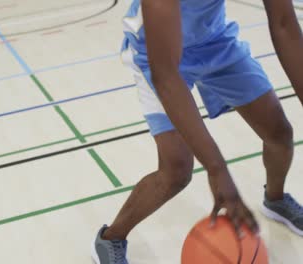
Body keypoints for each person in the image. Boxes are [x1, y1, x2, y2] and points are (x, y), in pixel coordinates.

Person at [92, 0, 303, 263]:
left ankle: (276, 199)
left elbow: (284, 24)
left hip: (215, 42)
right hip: (156, 54)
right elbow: (166, 75)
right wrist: (217, 168)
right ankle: (111, 237)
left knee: (279, 133)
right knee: (176, 170)